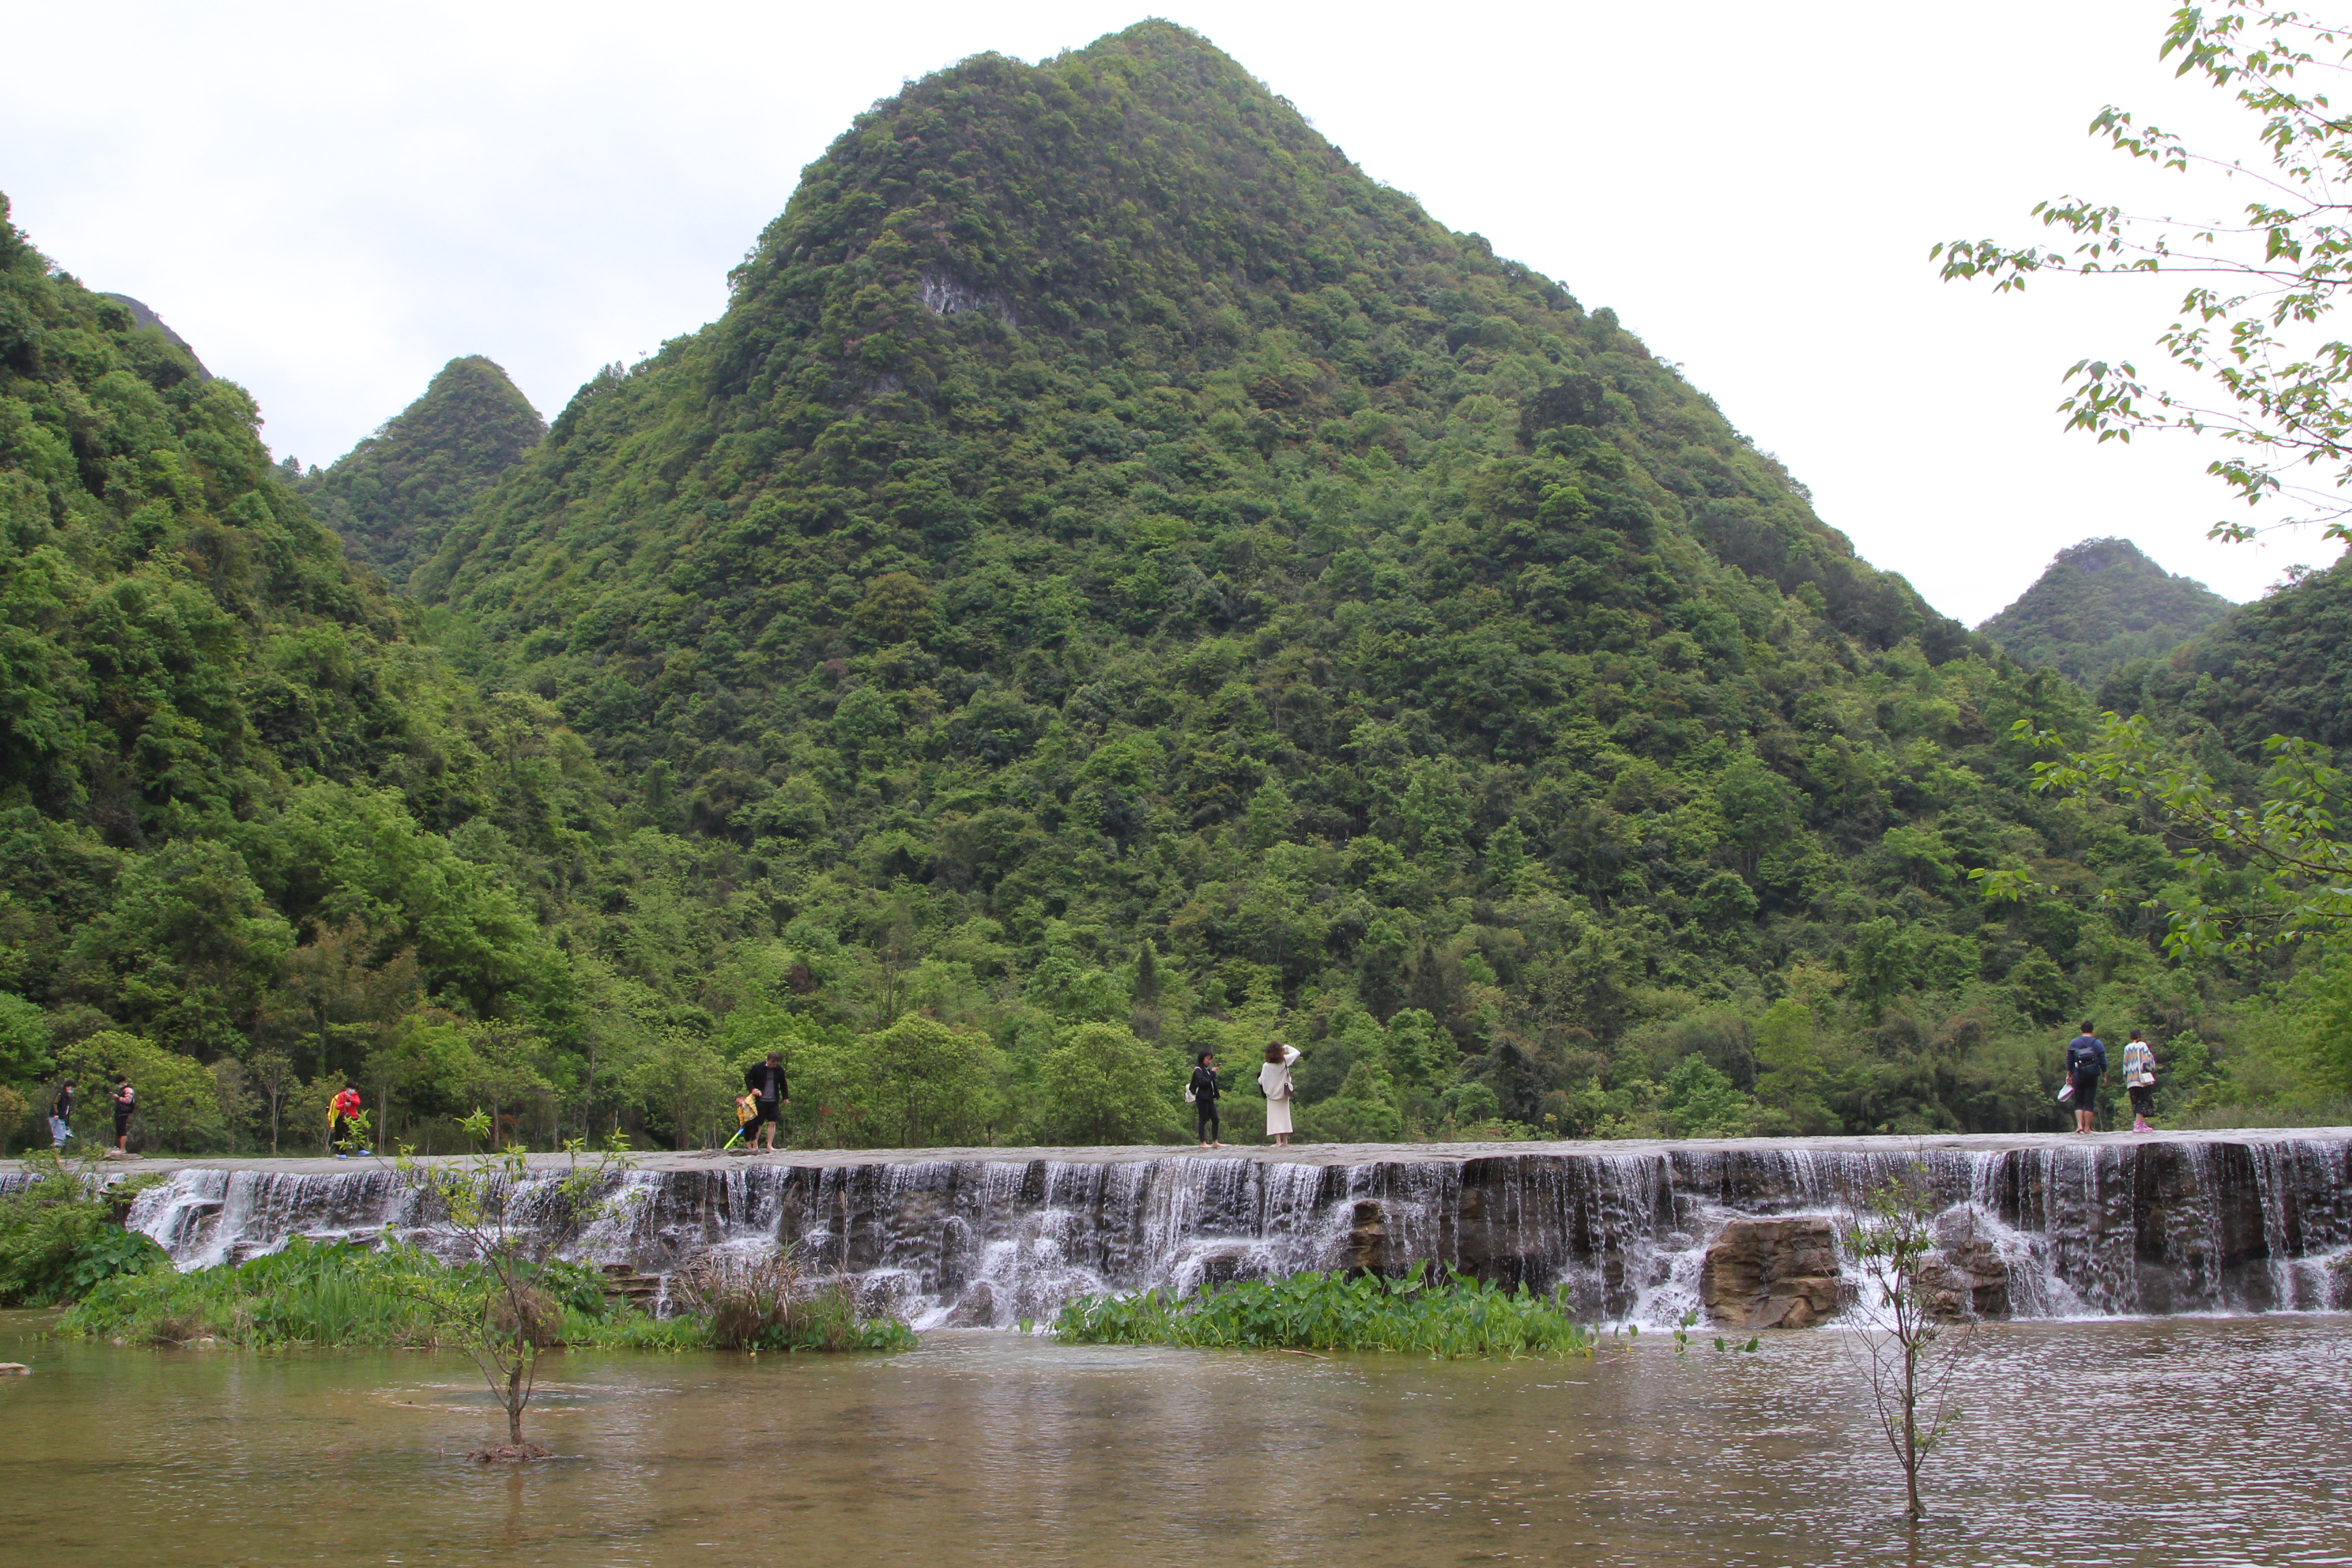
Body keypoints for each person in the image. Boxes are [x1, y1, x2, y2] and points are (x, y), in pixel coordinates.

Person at [741, 1051, 789, 1153]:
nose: (772, 1066)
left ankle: (769, 1145)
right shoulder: (757, 1067)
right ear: (767, 1060)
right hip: (760, 1100)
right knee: (758, 1123)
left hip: (773, 1100)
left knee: (772, 1122)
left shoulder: (779, 1069)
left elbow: (783, 1083)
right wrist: (753, 1089)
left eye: (774, 1064)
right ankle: (755, 1145)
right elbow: (747, 1078)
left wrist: (786, 1097)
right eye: (771, 1064)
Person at [2064, 1022, 2106, 1134]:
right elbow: (2103, 1061)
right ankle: (2088, 1128)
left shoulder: (2074, 1043)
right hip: (2092, 1075)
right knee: (2089, 1101)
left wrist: (2069, 1075)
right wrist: (2105, 1076)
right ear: (2093, 1031)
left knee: (2079, 1101)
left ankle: (2079, 1125)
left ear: (2081, 1030)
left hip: (2078, 1074)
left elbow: (2070, 1060)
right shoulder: (2097, 1044)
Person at [1258, 1041, 1301, 1147]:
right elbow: (1297, 1053)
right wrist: (1287, 1047)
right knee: (1285, 1117)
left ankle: (1278, 1141)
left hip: (1272, 1095)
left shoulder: (1266, 1066)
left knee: (1274, 1118)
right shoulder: (1285, 1061)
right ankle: (1285, 1141)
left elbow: (1262, 1081)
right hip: (1284, 1093)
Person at [2122, 1028, 2159, 1134]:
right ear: (2140, 1036)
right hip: (2141, 1079)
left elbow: (2125, 1064)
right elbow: (2149, 1061)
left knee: (2136, 1100)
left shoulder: (2127, 1048)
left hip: (2131, 1079)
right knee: (2143, 1100)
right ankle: (2138, 1125)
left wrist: (2126, 1075)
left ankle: (2140, 1123)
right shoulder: (2142, 1045)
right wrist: (2151, 1069)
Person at [1187, 1051, 1222, 1148]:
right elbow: (1203, 1083)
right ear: (1202, 1058)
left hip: (1209, 1097)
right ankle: (1203, 1142)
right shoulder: (1198, 1070)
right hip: (1202, 1097)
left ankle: (1215, 1141)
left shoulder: (1207, 1070)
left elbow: (1210, 1082)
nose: (1209, 1061)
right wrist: (1212, 1074)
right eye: (1208, 1059)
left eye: (1210, 1059)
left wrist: (1212, 1073)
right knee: (1203, 1119)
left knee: (1215, 1119)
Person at [328, 1082, 364, 1157]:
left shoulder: (354, 1095)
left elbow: (357, 1104)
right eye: (351, 1089)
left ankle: (360, 1149)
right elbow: (334, 1109)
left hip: (351, 1117)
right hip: (340, 1117)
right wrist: (332, 1125)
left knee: (353, 1133)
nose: (352, 1091)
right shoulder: (339, 1097)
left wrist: (350, 1098)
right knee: (341, 1135)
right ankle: (341, 1153)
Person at [110, 1073, 135, 1154]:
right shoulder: (122, 1090)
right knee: (119, 1130)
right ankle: (120, 1148)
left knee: (122, 1129)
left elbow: (128, 1101)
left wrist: (118, 1097)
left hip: (124, 1112)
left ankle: (123, 1149)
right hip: (119, 1111)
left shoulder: (128, 1090)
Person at [48, 1079, 74, 1150]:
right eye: (71, 1088)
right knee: (59, 1139)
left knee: (62, 1139)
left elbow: (67, 1111)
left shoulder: (67, 1097)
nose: (72, 1090)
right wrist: (55, 1114)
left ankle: (56, 1155)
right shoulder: (61, 1094)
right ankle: (56, 1156)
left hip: (62, 1119)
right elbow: (55, 1103)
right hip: (56, 1118)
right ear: (67, 1087)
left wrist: (67, 1124)